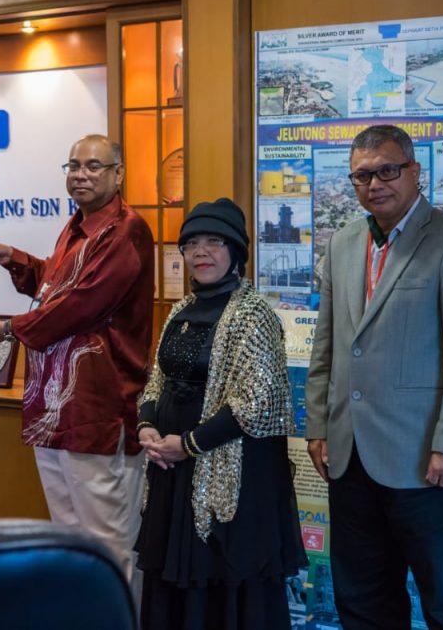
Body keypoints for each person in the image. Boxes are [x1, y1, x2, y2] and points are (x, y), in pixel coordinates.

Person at [306, 124, 443, 630]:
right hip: (351, 458)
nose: (375, 183)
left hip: (430, 463)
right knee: (362, 602)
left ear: (414, 171)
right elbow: (328, 346)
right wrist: (319, 426)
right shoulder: (342, 243)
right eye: (362, 175)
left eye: (387, 170)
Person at [0, 134, 154, 574]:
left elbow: (83, 304)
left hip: (98, 411)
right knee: (72, 544)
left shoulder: (126, 230)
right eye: (73, 166)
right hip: (55, 412)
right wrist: (12, 257)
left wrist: (8, 329)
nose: (81, 175)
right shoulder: (76, 227)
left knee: (108, 547)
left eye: (93, 166)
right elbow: (56, 284)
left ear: (118, 174)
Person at [135, 197, 305, 629]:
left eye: (214, 241)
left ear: (236, 251)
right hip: (172, 470)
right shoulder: (179, 310)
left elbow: (257, 401)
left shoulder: (254, 313)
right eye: (191, 243)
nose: (200, 252)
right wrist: (147, 425)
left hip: (231, 474)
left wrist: (189, 445)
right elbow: (157, 378)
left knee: (224, 584)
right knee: (173, 584)